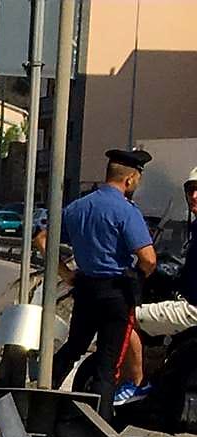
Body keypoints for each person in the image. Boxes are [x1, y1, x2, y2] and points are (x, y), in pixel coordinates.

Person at [36, 148, 158, 406]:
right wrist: (139, 275)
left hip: (85, 289)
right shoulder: (126, 211)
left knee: (73, 347)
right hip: (116, 293)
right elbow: (148, 259)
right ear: (130, 179)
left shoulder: (78, 207)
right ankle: (101, 424)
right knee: (108, 362)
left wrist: (66, 274)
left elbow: (42, 240)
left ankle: (39, 400)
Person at [135, 167, 197, 341]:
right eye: (191, 190)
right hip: (187, 303)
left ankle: (136, 369)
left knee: (126, 317)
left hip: (193, 312)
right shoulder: (192, 228)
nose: (194, 196)